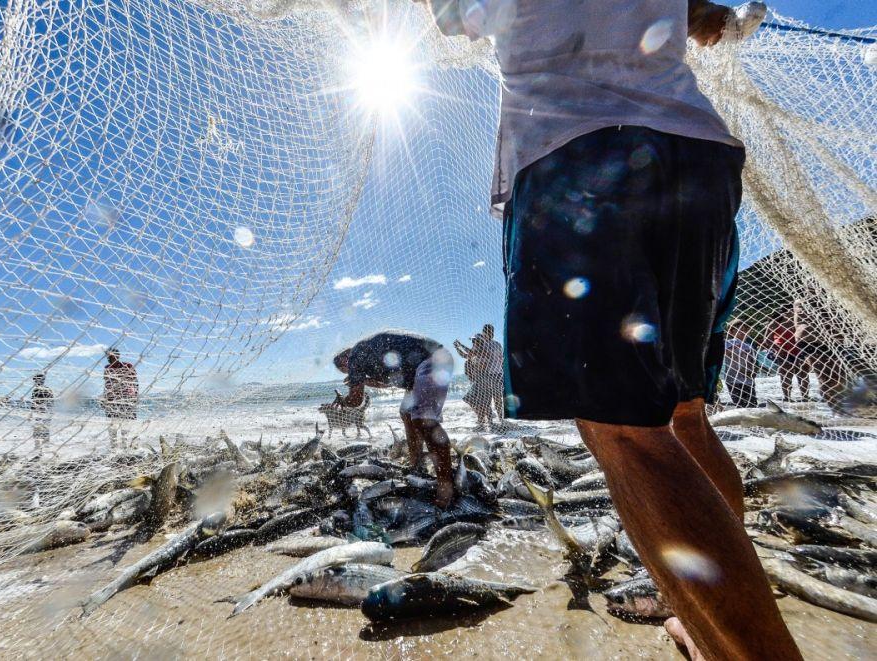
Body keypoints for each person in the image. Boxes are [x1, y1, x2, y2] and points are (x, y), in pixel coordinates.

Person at [416, 1, 800, 659]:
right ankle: (699, 613)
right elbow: (704, 18)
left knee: (624, 430)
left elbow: (455, 18)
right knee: (686, 416)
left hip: (577, 158)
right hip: (698, 160)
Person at [333, 331, 455, 506]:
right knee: (406, 414)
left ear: (345, 359)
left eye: (345, 369)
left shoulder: (355, 356)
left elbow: (356, 400)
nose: (349, 373)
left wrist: (342, 401)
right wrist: (363, 381)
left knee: (422, 420)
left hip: (431, 361)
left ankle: (446, 487)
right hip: (423, 366)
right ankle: (416, 464)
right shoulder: (368, 353)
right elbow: (386, 382)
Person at [794, 299, 847, 413]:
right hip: (811, 341)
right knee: (823, 377)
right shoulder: (801, 301)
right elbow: (798, 322)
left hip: (831, 340)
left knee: (839, 376)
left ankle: (837, 406)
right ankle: (835, 409)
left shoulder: (831, 298)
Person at [765, 309, 809, 401]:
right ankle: (787, 398)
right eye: (787, 311)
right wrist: (776, 349)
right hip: (784, 352)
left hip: (799, 351)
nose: (790, 313)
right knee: (786, 375)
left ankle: (805, 397)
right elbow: (767, 339)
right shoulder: (776, 322)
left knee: (803, 374)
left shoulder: (798, 321)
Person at [102, 348, 138, 448]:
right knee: (112, 425)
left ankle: (125, 447)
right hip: (112, 400)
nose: (109, 359)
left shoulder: (128, 366)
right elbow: (107, 384)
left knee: (125, 425)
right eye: (108, 357)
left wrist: (135, 397)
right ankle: (113, 448)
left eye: (111, 356)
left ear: (118, 356)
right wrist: (105, 398)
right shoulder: (107, 368)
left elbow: (134, 382)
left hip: (126, 399)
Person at [456, 333, 495, 428]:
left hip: (484, 379)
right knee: (478, 400)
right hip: (480, 379)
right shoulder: (477, 351)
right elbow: (467, 354)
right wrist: (459, 347)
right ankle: (483, 419)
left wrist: (459, 346)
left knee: (480, 400)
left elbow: (467, 354)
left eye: (474, 341)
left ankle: (486, 421)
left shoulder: (483, 351)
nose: (473, 342)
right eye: (473, 341)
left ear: (479, 342)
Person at [723, 320, 759, 408]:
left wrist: (754, 371)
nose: (742, 332)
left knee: (752, 404)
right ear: (731, 332)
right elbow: (727, 354)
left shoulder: (749, 346)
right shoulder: (728, 343)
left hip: (748, 379)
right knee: (739, 404)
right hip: (733, 379)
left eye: (745, 330)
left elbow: (753, 361)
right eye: (738, 329)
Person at [30, 372, 54, 451]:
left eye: (35, 380)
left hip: (38, 413)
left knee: (37, 430)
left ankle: (38, 448)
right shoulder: (49, 389)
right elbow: (52, 402)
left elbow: (34, 403)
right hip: (47, 413)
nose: (34, 382)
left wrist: (32, 412)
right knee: (46, 430)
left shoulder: (36, 390)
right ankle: (46, 448)